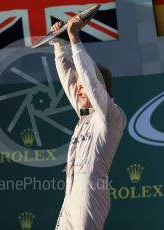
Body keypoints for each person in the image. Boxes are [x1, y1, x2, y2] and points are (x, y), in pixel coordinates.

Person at [51, 16, 127, 230]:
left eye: (83, 86)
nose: (78, 89)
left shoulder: (112, 116)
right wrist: (59, 44)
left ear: (99, 88)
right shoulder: (85, 116)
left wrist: (74, 39)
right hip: (71, 194)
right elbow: (69, 80)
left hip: (91, 193)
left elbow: (91, 82)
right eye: (79, 86)